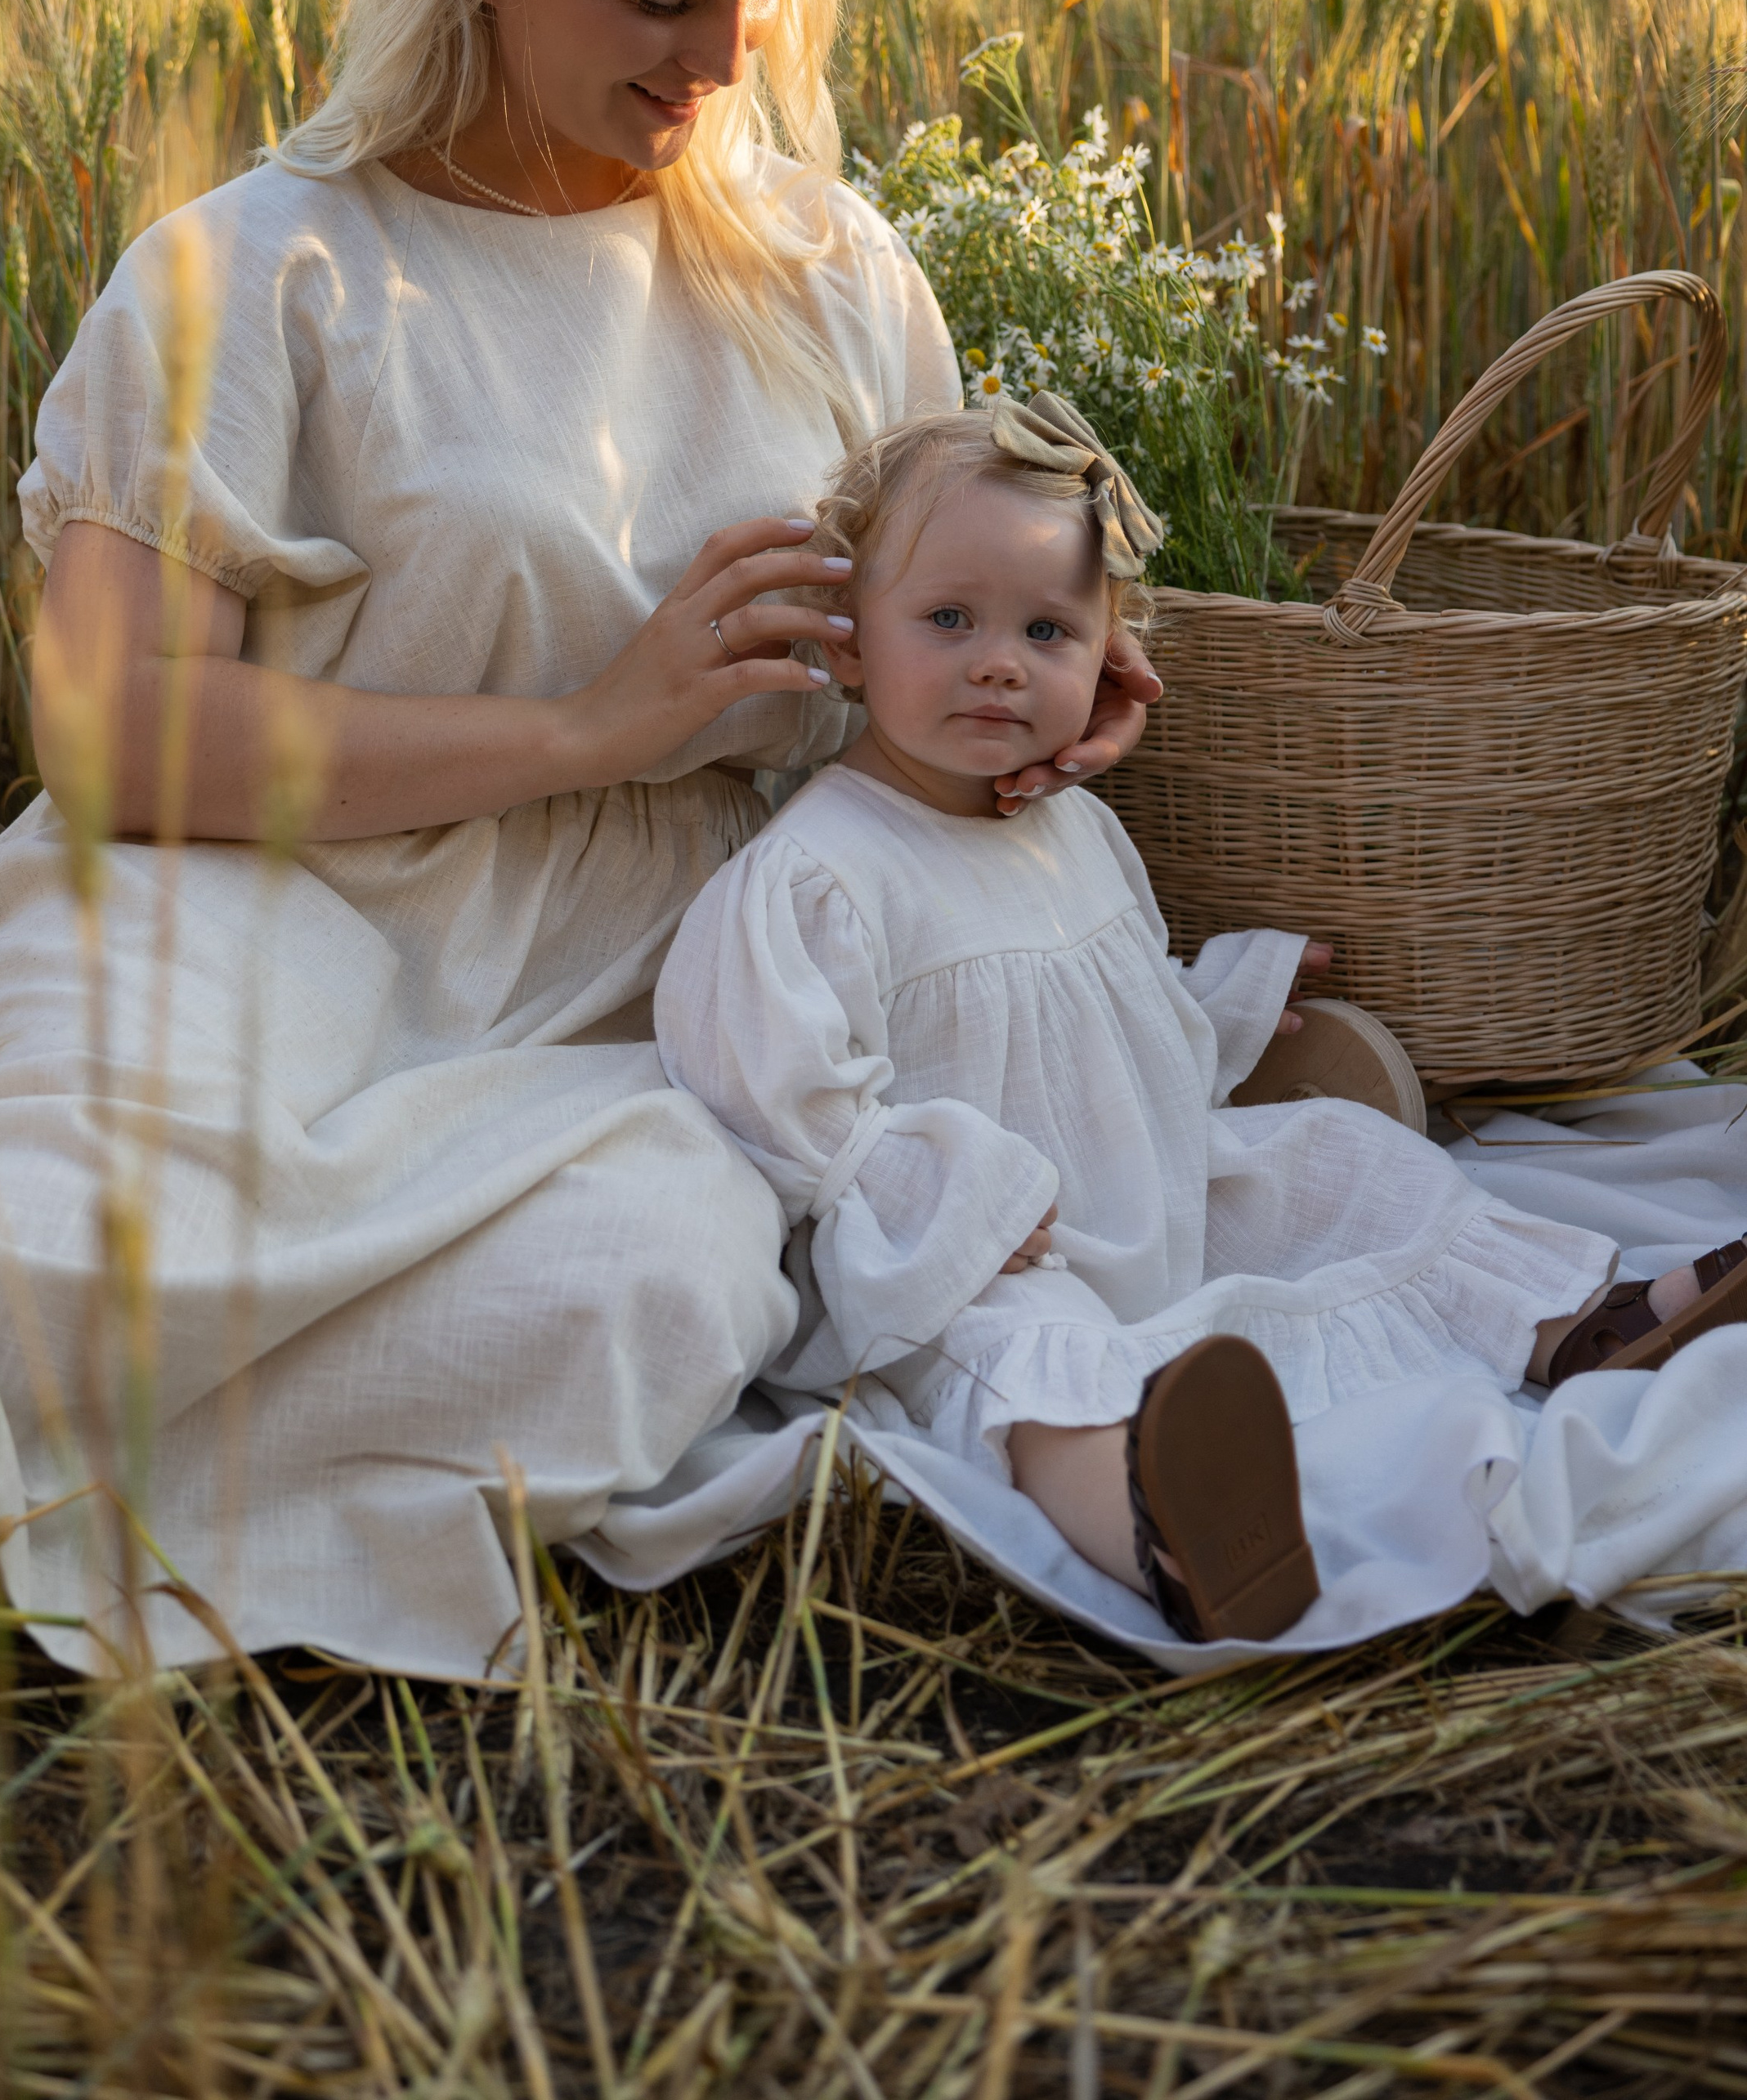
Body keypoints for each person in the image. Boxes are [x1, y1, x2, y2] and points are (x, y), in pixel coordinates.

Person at [0, 0, 1161, 1675]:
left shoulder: (830, 270)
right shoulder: (260, 268)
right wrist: (584, 722)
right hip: (261, 909)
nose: (718, 54)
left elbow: (939, 611)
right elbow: (111, 734)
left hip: (651, 997)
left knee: (655, 1274)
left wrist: (1026, 705)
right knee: (111, 1225)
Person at [654, 399, 1747, 1642]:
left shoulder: (1073, 828)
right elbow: (779, 1097)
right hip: (979, 1250)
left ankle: (1584, 1326)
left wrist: (1226, 1002)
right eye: (948, 619)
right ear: (851, 643)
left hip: (1151, 1189)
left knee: (1351, 1164)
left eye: (1048, 628)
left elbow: (1130, 1019)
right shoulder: (820, 872)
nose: (999, 660)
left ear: (1110, 654)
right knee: (1019, 1357)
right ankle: (1172, 1522)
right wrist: (947, 1203)